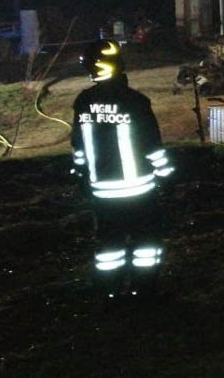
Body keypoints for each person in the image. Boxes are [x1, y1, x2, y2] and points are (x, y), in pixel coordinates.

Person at [70, 40, 174, 297]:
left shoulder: (83, 102)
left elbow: (78, 147)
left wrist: (82, 177)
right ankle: (144, 289)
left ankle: (109, 290)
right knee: (146, 243)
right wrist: (167, 177)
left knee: (109, 245)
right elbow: (152, 146)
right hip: (139, 192)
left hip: (102, 194)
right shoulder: (135, 101)